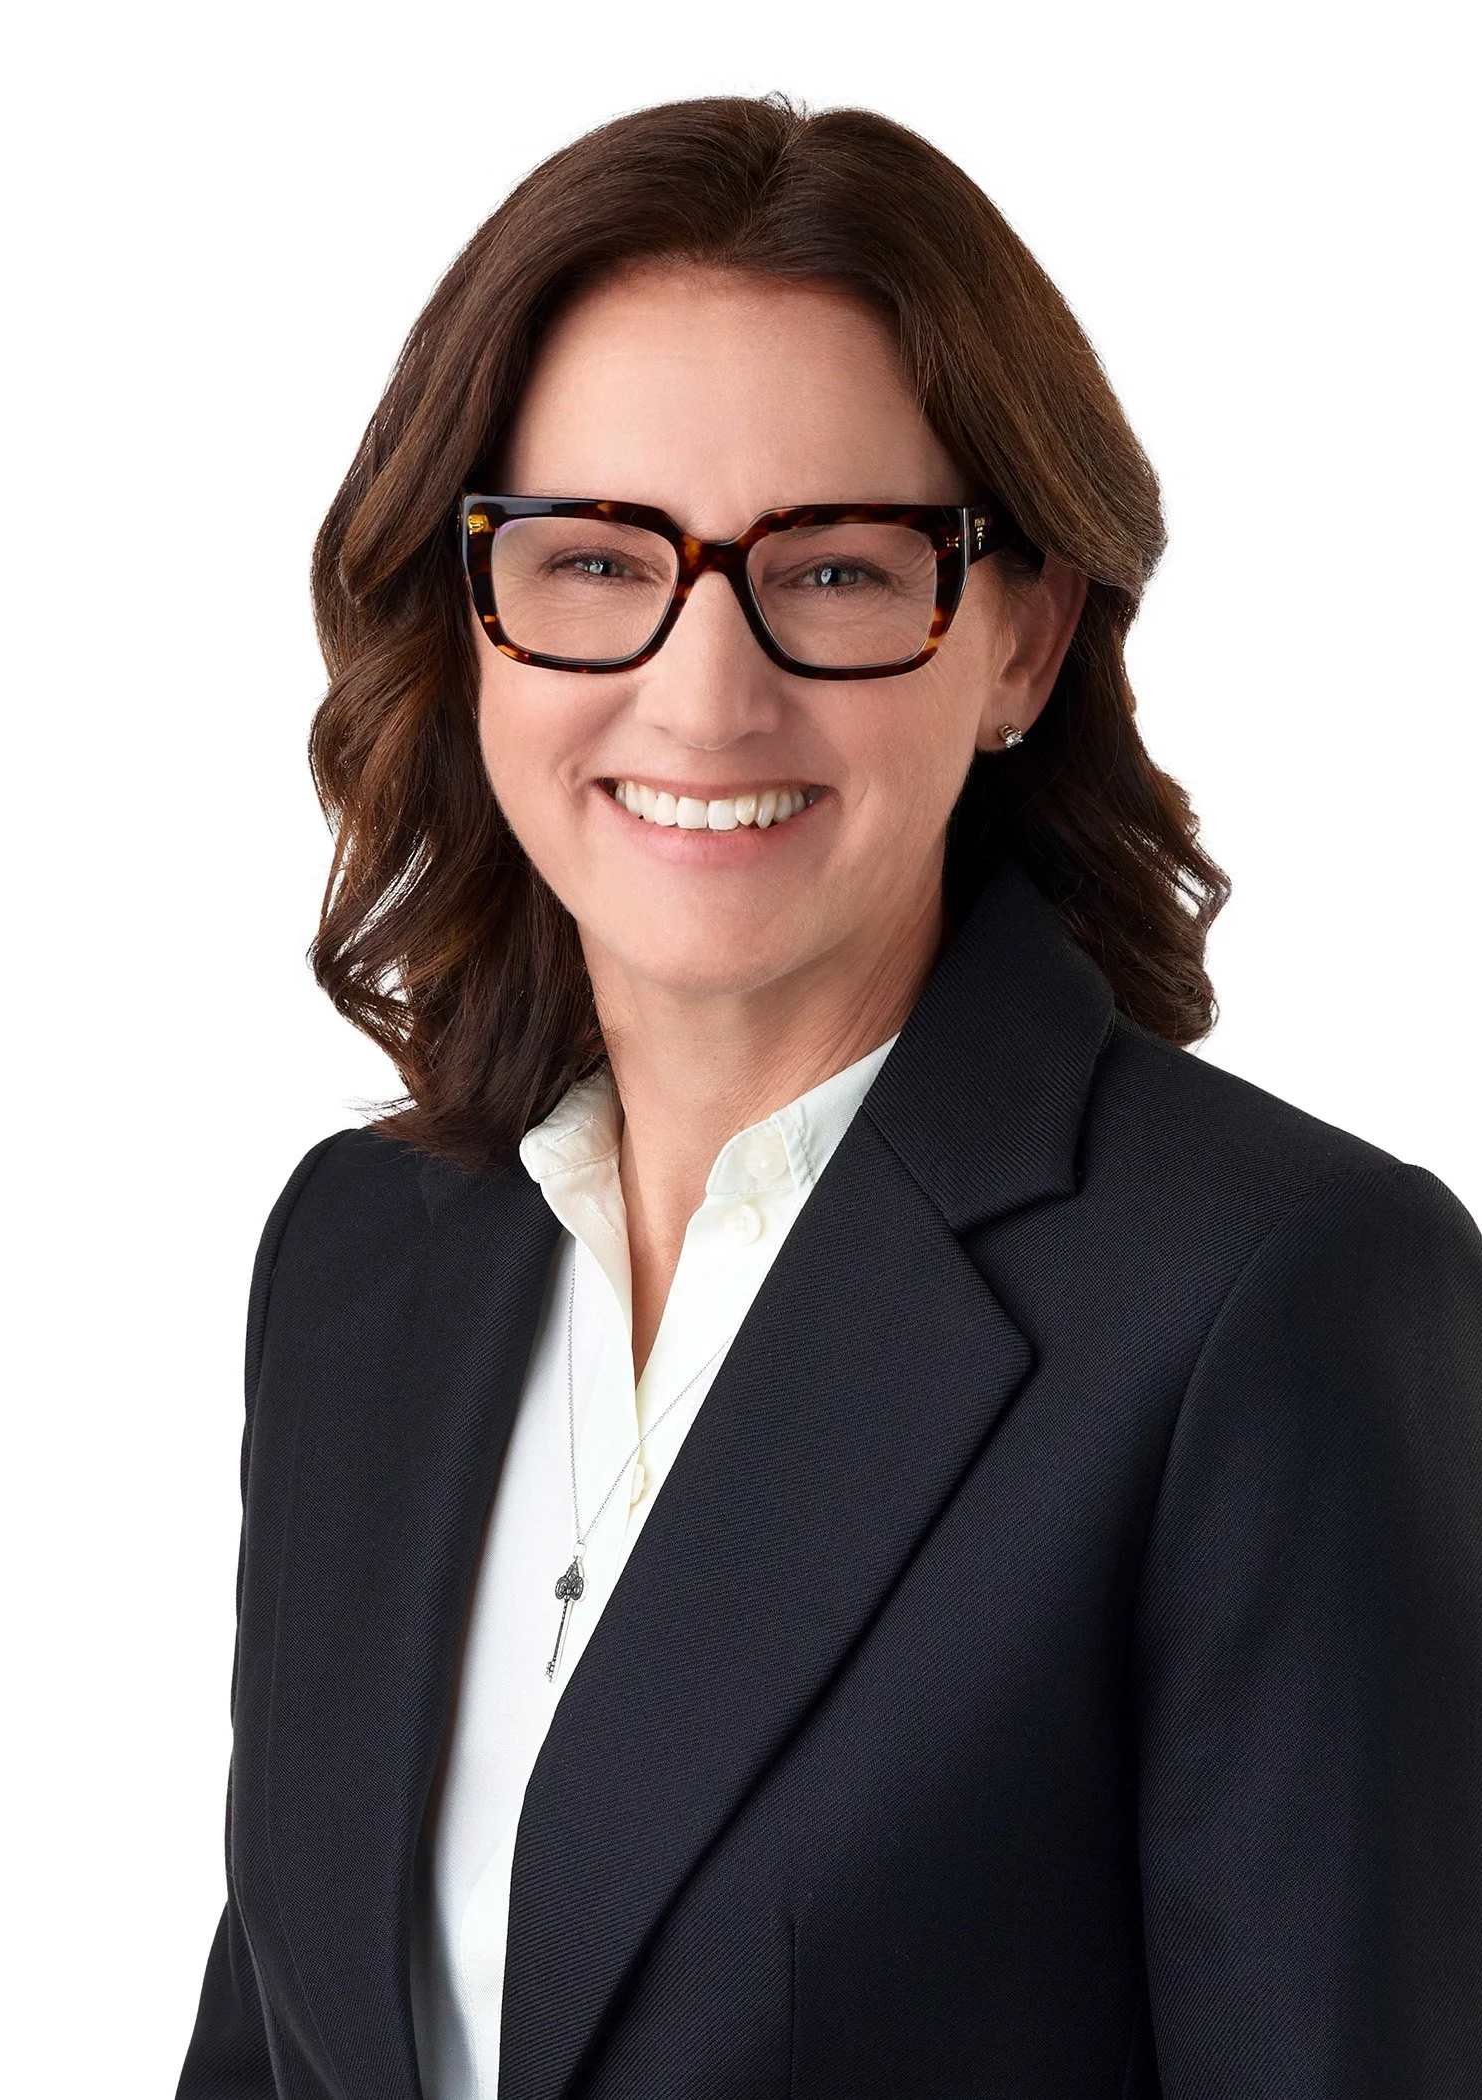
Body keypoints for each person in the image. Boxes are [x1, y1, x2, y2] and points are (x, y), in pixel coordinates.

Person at [176, 93, 1482, 2100]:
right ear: (471, 611)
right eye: (600, 560)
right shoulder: (363, 1259)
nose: (705, 694)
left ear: (1027, 636)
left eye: (844, 573)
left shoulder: (1273, 1302)